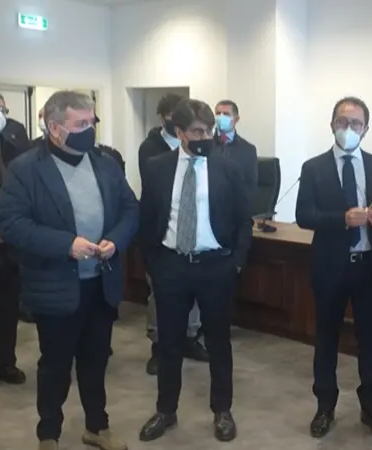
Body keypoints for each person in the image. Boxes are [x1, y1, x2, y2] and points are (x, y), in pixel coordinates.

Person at [0, 90, 138, 450]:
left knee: (96, 361)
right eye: (81, 123)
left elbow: (130, 209)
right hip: (55, 285)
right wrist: (66, 244)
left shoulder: (105, 163)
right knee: (55, 366)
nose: (89, 129)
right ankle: (49, 434)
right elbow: (11, 224)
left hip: (100, 284)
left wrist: (115, 240)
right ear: (55, 128)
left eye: (92, 122)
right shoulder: (26, 169)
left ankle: (97, 427)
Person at [137, 99, 252, 443]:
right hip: (171, 266)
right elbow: (147, 218)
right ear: (180, 132)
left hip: (216, 266)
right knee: (169, 344)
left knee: (218, 343)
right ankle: (165, 410)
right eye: (198, 132)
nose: (206, 137)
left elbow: (244, 221)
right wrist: (153, 263)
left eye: (209, 131)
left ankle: (222, 411)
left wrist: (236, 262)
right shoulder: (157, 167)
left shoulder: (228, 168)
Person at [295, 96, 372, 441]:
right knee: (326, 339)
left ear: (366, 129)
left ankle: (371, 407)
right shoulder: (314, 167)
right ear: (332, 125)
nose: (349, 128)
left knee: (370, 342)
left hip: (369, 267)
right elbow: (304, 216)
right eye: (343, 122)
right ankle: (324, 406)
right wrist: (342, 219)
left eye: (356, 123)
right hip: (331, 267)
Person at [137, 93, 208, 375]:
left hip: (199, 248)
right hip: (166, 246)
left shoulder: (209, 155)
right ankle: (159, 346)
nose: (203, 136)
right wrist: (149, 257)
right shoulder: (152, 151)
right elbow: (150, 207)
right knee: (160, 300)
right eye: (197, 130)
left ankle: (190, 338)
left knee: (195, 299)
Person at [0, 92, 26, 392]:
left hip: (10, 243)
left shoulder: (11, 142)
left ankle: (5, 362)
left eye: (3, 109)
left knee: (7, 305)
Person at [214, 100, 258, 210]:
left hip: (235, 207)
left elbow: (250, 186)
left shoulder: (247, 150)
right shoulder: (207, 145)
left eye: (226, 114)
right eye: (218, 113)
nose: (221, 117)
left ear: (236, 119)